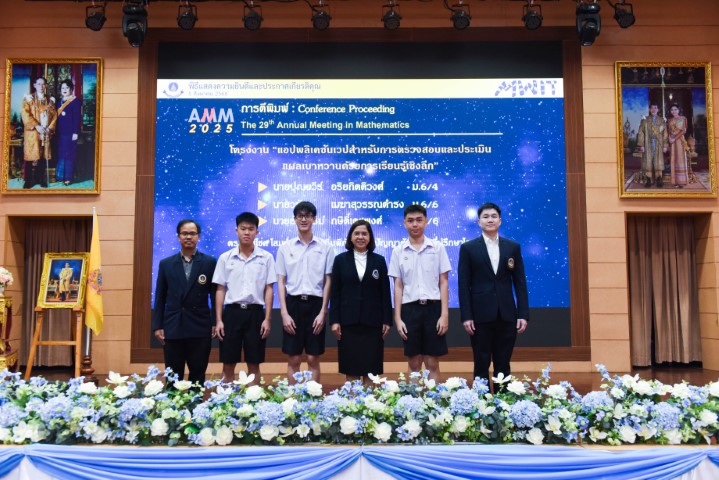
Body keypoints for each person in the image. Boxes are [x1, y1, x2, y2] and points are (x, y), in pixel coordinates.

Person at [457, 202, 529, 390]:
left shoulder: (512, 247)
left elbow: (520, 283)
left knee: (503, 362)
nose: (490, 220)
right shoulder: (468, 248)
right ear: (479, 221)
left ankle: (502, 401)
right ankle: (481, 403)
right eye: (486, 217)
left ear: (500, 221)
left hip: (507, 314)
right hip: (479, 316)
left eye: (494, 216)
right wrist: (466, 316)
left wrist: (523, 314)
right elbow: (463, 284)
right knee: (481, 362)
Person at [389, 204, 451, 381]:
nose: (415, 224)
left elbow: (444, 282)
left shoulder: (437, 247)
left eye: (419, 220)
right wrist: (397, 318)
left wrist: (444, 315)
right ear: (404, 223)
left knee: (432, 362)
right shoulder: (398, 251)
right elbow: (398, 286)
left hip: (433, 309)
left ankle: (433, 398)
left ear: (426, 222)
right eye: (410, 221)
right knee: (414, 362)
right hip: (409, 310)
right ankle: (413, 399)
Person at [152, 219, 217, 386]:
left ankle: (196, 403)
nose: (189, 237)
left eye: (192, 233)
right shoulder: (166, 264)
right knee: (173, 375)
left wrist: (215, 322)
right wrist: (158, 325)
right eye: (185, 233)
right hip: (174, 325)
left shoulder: (209, 262)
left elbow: (214, 295)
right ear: (179, 237)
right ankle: (173, 404)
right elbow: (160, 297)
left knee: (198, 374)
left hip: (200, 325)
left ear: (198, 237)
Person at [213, 212, 276, 384]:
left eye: (251, 229)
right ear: (236, 231)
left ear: (257, 232)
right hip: (231, 314)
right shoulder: (225, 258)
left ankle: (253, 399)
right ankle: (225, 399)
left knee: (254, 363)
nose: (247, 232)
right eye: (243, 228)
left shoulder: (266, 258)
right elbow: (220, 289)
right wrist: (219, 320)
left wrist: (267, 319)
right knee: (228, 363)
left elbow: (269, 289)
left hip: (256, 315)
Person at [276, 201, 335, 383]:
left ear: (314, 219)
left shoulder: (325, 247)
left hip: (316, 305)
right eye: (300, 216)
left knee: (312, 358)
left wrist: (323, 312)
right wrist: (284, 313)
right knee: (294, 358)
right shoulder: (285, 247)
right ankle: (292, 399)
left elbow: (328, 280)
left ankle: (312, 398)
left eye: (307, 216)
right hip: (293, 304)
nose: (304, 219)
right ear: (294, 219)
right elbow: (281, 281)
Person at [330, 220, 392, 383]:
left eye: (364, 234)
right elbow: (335, 293)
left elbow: (385, 292)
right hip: (348, 323)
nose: (360, 237)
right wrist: (334, 320)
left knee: (371, 371)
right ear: (350, 237)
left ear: (370, 237)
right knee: (351, 369)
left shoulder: (379, 260)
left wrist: (387, 320)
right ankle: (352, 400)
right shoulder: (340, 260)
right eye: (356, 233)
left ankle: (369, 400)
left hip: (373, 323)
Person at [21, 76, 56, 189]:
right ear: (34, 85)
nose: (41, 86)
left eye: (43, 84)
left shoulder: (50, 101)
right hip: (33, 132)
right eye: (39, 84)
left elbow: (54, 116)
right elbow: (25, 114)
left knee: (42, 157)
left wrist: (49, 128)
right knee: (31, 156)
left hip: (45, 132)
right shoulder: (28, 99)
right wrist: (36, 126)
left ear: (46, 86)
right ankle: (28, 180)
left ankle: (40, 179)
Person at [53, 79, 81, 186]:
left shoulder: (75, 101)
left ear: (71, 89)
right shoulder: (59, 102)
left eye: (67, 88)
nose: (64, 90)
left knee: (69, 154)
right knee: (61, 154)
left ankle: (68, 177)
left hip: (70, 133)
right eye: (62, 88)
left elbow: (77, 118)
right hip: (60, 133)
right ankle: (60, 176)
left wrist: (75, 132)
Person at [636, 102, 668, 188]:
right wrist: (641, 145)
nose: (653, 110)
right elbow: (641, 133)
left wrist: (665, 145)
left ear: (658, 110)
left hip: (658, 144)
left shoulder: (662, 120)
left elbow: (665, 134)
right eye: (652, 108)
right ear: (649, 109)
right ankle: (649, 179)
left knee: (658, 161)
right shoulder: (645, 120)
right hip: (648, 143)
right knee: (648, 161)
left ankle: (659, 179)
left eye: (655, 108)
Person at [668, 104, 690, 188]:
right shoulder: (670, 120)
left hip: (680, 141)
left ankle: (682, 181)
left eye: (675, 109)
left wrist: (674, 138)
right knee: (674, 159)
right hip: (673, 142)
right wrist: (670, 138)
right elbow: (669, 130)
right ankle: (675, 181)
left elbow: (684, 131)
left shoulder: (683, 118)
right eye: (672, 110)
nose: (673, 111)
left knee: (680, 159)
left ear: (678, 110)